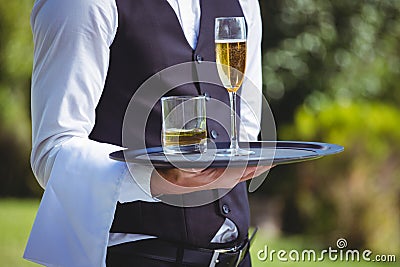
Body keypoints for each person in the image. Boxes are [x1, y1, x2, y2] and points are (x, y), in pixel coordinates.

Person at [24, 0, 269, 266]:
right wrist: (157, 177)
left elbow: (244, 125)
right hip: (135, 257)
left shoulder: (244, 4)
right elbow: (54, 152)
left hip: (239, 256)